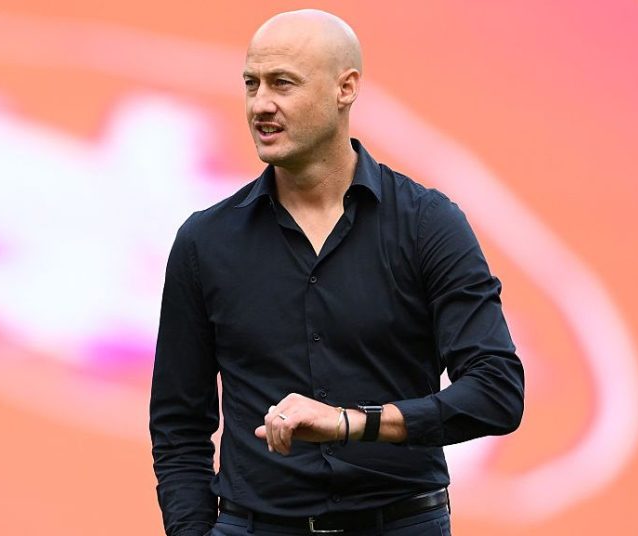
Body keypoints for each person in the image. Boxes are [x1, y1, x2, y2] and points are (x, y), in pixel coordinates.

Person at [149, 9, 524, 536]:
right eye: (252, 84)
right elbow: (178, 425)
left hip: (400, 523)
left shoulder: (427, 224)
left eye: (283, 83)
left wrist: (350, 423)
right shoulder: (205, 241)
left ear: (345, 88)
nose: (261, 104)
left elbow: (496, 392)